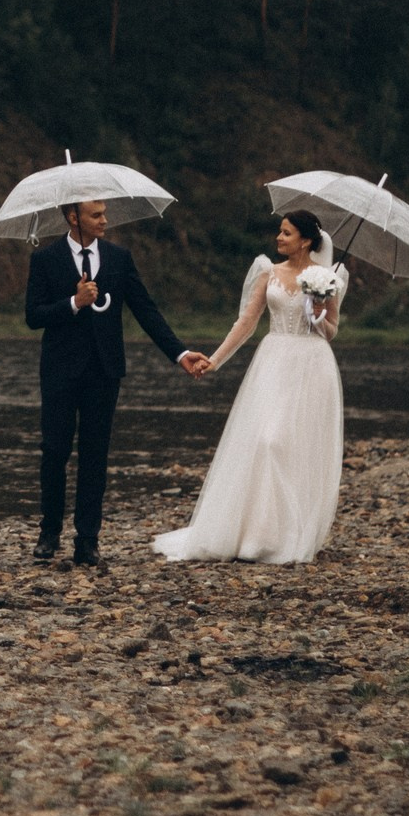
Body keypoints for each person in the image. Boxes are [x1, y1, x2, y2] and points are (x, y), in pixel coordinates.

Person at [154, 209, 347, 565]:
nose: (279, 237)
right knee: (264, 440)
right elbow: (246, 322)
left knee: (290, 445)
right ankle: (254, 533)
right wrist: (215, 359)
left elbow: (332, 331)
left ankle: (285, 535)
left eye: (286, 233)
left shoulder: (327, 278)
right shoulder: (269, 272)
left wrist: (318, 311)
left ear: (305, 240)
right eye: (280, 231)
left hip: (311, 364)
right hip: (273, 360)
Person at [24, 199, 209, 567]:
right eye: (96, 214)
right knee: (55, 451)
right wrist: (74, 303)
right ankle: (49, 533)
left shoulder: (119, 258)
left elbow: (145, 310)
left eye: (104, 213)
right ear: (73, 217)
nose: (105, 220)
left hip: (104, 372)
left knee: (95, 456)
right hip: (59, 371)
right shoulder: (45, 259)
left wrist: (179, 353)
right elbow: (33, 316)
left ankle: (88, 540)